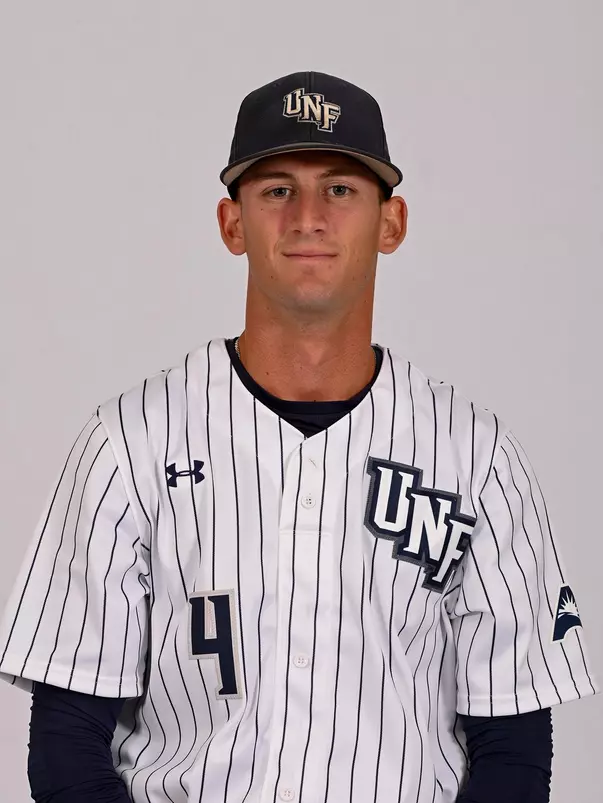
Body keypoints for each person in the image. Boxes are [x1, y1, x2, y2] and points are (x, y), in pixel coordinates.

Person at [0, 70, 598, 803]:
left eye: (340, 188)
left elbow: (512, 753)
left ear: (391, 222)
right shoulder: (129, 444)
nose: (307, 215)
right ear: (231, 222)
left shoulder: (475, 456)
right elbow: (66, 750)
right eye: (277, 188)